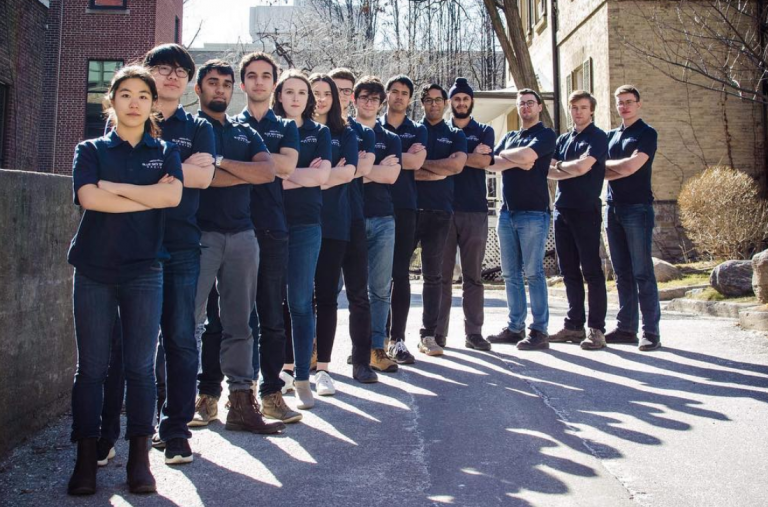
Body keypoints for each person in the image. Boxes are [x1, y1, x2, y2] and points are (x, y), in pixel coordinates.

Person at [67, 65, 183, 495]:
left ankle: (139, 460)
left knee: (139, 368)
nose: (135, 102)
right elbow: (89, 198)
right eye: (126, 94)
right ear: (111, 101)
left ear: (153, 105)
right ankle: (85, 460)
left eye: (143, 96)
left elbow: (172, 196)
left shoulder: (164, 151)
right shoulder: (90, 149)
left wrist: (114, 188)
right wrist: (147, 197)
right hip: (94, 271)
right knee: (91, 369)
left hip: (144, 270)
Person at [98, 43, 216, 467]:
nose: (172, 76)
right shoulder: (127, 120)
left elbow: (203, 178)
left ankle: (175, 432)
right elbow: (109, 174)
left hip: (181, 244)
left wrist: (153, 176)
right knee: (121, 344)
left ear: (188, 81)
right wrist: (173, 176)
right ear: (147, 74)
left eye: (181, 71)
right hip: (127, 244)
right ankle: (106, 434)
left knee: (180, 339)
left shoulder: (199, 127)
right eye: (163, 68)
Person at [189, 59, 284, 435]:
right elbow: (198, 178)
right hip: (199, 236)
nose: (220, 89)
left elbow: (267, 172)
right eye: (213, 82)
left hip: (243, 236)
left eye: (226, 84)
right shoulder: (189, 128)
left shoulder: (245, 132)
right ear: (198, 88)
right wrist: (237, 174)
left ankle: (242, 404)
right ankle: (175, 409)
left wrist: (219, 163)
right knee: (187, 322)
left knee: (239, 324)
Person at [236, 52, 302, 423]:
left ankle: (272, 392)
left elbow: (288, 167)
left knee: (272, 316)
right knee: (235, 317)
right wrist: (264, 165)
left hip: (274, 228)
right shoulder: (231, 124)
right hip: (235, 226)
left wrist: (245, 164)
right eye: (252, 75)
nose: (259, 81)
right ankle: (234, 393)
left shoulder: (286, 127)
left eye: (265, 76)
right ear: (243, 82)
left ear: (273, 84)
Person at [273, 70, 332, 409]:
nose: (295, 98)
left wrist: (282, 174)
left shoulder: (319, 132)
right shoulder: (269, 129)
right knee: (268, 302)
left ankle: (302, 380)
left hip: (306, 224)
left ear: (309, 99)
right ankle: (270, 377)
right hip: (269, 223)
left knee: (299, 302)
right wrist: (302, 175)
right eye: (289, 92)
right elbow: (261, 175)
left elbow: (322, 177)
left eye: (302, 92)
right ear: (279, 95)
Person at [486, 89, 556, 351]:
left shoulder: (545, 135)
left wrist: (511, 158)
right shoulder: (510, 136)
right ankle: (515, 327)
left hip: (533, 213)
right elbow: (491, 163)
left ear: (539, 107)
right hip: (507, 213)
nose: (525, 107)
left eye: (530, 103)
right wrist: (519, 159)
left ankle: (539, 330)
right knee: (510, 273)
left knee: (533, 272)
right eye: (521, 103)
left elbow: (525, 158)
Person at [436, 78, 494, 352]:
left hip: (475, 211)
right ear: (450, 102)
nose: (461, 103)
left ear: (472, 102)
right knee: (442, 277)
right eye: (457, 99)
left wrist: (455, 158)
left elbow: (484, 161)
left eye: (465, 99)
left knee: (473, 277)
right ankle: (438, 334)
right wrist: (469, 155)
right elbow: (471, 159)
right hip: (444, 210)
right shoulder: (440, 130)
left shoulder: (484, 131)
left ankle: (474, 334)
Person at [548, 90, 609, 350]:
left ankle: (596, 329)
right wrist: (569, 167)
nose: (578, 112)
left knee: (591, 270)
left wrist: (562, 166)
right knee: (568, 271)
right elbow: (548, 170)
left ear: (591, 110)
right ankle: (574, 326)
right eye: (574, 107)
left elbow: (584, 168)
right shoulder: (563, 139)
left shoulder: (598, 137)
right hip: (562, 210)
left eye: (583, 107)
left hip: (586, 210)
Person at [309, 73, 358, 395]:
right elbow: (284, 171)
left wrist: (311, 177)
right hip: (299, 223)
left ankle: (324, 368)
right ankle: (294, 364)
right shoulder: (296, 130)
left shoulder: (346, 133)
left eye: (327, 93)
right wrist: (329, 173)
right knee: (297, 298)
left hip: (334, 224)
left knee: (327, 297)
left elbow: (349, 172)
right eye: (315, 93)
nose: (322, 99)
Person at [329, 68, 379, 384]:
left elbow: (363, 168)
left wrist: (339, 167)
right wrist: (347, 166)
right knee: (321, 296)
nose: (341, 95)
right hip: (321, 221)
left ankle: (361, 362)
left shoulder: (363, 132)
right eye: (335, 89)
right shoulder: (314, 130)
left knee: (359, 295)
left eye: (347, 90)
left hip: (354, 219)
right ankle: (313, 359)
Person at [411, 83, 468, 356]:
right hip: (409, 210)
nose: (433, 104)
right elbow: (405, 170)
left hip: (440, 212)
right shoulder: (413, 131)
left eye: (438, 100)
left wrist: (420, 164)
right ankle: (389, 336)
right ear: (422, 103)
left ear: (445, 103)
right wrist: (438, 170)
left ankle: (429, 335)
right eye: (428, 100)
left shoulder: (455, 134)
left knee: (433, 276)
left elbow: (456, 166)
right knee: (394, 276)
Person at [604, 85, 662, 351]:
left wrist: (608, 168)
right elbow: (603, 171)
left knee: (642, 272)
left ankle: (650, 332)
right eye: (620, 102)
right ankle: (626, 328)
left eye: (629, 101)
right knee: (621, 273)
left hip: (637, 209)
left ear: (639, 104)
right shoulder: (610, 136)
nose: (624, 106)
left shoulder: (647, 133)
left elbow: (631, 167)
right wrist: (616, 169)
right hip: (612, 208)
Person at [353, 76, 403, 373]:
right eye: (364, 97)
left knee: (381, 289)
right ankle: (332, 349)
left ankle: (375, 348)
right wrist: (375, 169)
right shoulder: (344, 132)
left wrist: (360, 170)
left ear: (381, 103)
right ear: (354, 100)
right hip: (351, 217)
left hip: (383, 219)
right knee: (342, 289)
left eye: (374, 99)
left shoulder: (391, 139)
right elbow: (342, 174)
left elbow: (391, 176)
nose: (369, 103)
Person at [380, 74, 427, 364]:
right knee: (375, 277)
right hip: (374, 207)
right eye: (394, 91)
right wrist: (402, 157)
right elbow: (406, 160)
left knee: (399, 274)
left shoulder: (417, 129)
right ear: (387, 94)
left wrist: (381, 158)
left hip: (406, 208)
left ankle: (397, 339)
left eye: (404, 93)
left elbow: (417, 162)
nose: (399, 96)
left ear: (409, 99)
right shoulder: (373, 125)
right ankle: (375, 340)